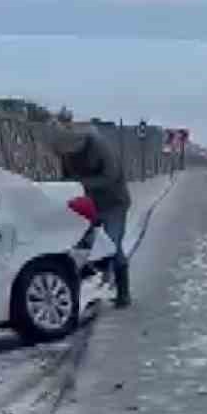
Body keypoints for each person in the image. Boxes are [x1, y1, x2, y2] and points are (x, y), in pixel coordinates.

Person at [50, 123, 132, 307]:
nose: (64, 155)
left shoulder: (100, 147)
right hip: (88, 204)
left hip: (114, 203)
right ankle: (91, 291)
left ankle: (123, 293)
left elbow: (111, 177)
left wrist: (81, 183)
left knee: (111, 244)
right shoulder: (67, 154)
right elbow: (66, 179)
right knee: (84, 247)